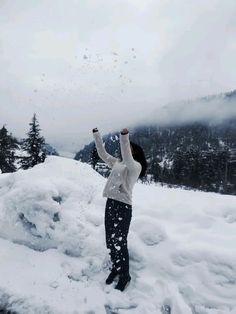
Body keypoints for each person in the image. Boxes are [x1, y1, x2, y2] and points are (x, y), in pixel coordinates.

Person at [92, 127, 147, 291]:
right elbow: (102, 154)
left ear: (134, 153)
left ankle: (125, 275)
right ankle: (116, 267)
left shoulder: (135, 167)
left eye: (129, 149)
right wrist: (96, 135)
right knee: (110, 240)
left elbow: (128, 157)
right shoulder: (117, 163)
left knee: (120, 242)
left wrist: (124, 137)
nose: (125, 151)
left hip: (123, 206)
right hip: (111, 203)